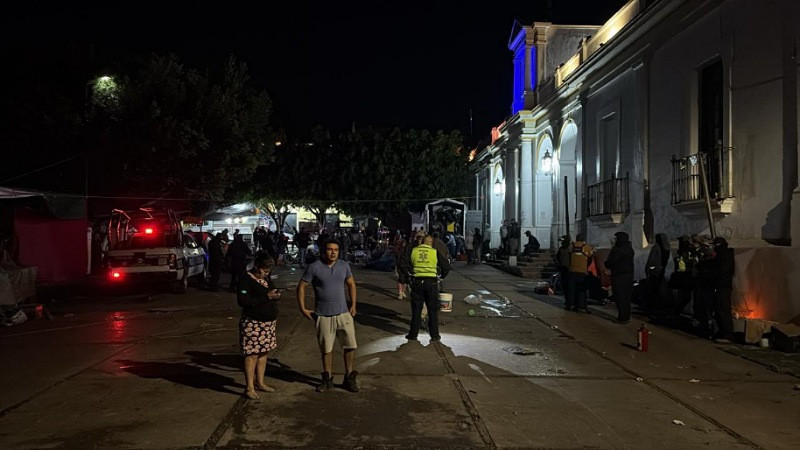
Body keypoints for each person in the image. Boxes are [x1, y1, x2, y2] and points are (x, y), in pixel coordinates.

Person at [296, 239, 359, 393]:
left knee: (350, 346)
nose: (333, 252)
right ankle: (327, 378)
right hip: (323, 315)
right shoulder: (314, 267)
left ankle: (349, 377)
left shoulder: (344, 265)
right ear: (323, 251)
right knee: (326, 349)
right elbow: (301, 286)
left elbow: (351, 284)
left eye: (336, 250)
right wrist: (303, 308)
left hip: (343, 313)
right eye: (330, 249)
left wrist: (353, 305)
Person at [236, 255, 281, 399]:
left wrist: (276, 294)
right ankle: (249, 387)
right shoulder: (246, 279)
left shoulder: (266, 278)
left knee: (263, 353)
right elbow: (243, 300)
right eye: (264, 269)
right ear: (257, 266)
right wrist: (266, 297)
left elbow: (271, 290)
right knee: (252, 354)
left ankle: (260, 382)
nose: (266, 272)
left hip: (268, 322)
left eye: (268, 270)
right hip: (253, 322)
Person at [398, 235, 450, 342]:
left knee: (416, 310)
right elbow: (446, 267)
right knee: (432, 310)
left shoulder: (414, 251)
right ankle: (434, 335)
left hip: (417, 282)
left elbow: (402, 263)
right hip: (432, 283)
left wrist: (408, 277)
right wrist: (441, 277)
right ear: (430, 243)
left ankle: (413, 334)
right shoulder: (434, 252)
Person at [604, 232, 634, 323]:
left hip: (619, 276)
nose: (615, 240)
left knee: (619, 296)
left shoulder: (619, 249)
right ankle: (626, 316)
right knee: (626, 297)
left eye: (617, 239)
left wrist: (607, 263)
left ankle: (622, 317)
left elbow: (612, 261)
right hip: (628, 275)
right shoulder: (629, 248)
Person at [712, 237, 735, 341]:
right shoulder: (722, 255)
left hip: (723, 286)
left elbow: (723, 272)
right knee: (719, 310)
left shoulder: (726, 256)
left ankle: (727, 334)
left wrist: (711, 275)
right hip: (719, 286)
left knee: (723, 309)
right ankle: (722, 332)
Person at [644, 233, 670, 312]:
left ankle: (652, 307)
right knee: (659, 289)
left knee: (653, 290)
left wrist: (648, 269)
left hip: (654, 272)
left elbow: (651, 260)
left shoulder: (656, 247)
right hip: (662, 270)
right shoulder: (667, 247)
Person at [567, 233, 594, 313]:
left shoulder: (571, 246)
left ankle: (571, 305)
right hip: (582, 271)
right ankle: (581, 307)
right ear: (583, 240)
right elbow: (590, 256)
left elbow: (569, 254)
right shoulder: (586, 247)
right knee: (582, 290)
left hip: (572, 271)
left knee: (571, 289)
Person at [555, 234, 571, 299]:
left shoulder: (570, 248)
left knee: (568, 284)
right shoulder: (561, 249)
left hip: (569, 268)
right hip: (563, 268)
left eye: (562, 241)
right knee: (564, 283)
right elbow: (557, 258)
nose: (561, 242)